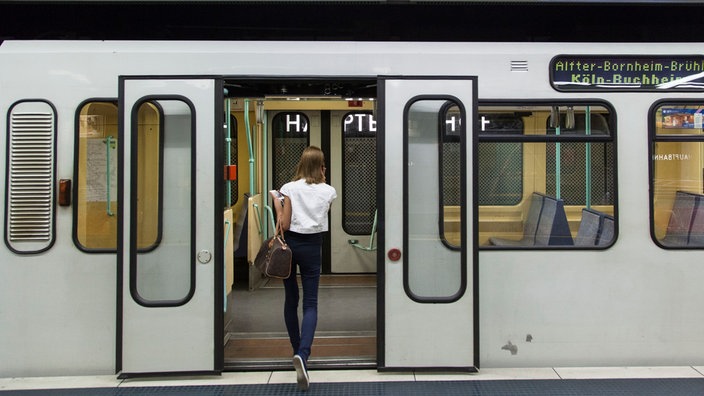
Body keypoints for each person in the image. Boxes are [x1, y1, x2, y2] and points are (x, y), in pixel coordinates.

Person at [275, 146, 336, 391]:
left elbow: (285, 222)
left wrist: (277, 203)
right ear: (320, 166)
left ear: (301, 164)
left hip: (289, 246)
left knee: (291, 300)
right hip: (313, 247)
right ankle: (303, 354)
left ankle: (295, 349)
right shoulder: (329, 191)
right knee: (310, 303)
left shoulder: (288, 188)